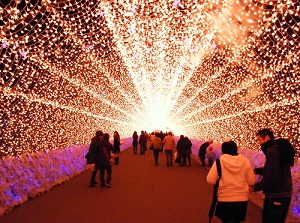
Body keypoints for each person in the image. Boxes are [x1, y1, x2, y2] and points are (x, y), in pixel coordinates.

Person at [207, 140, 256, 223]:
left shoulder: (219, 162)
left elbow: (210, 180)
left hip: (224, 199)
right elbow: (252, 181)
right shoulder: (245, 161)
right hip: (241, 200)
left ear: (223, 150)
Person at [251, 129, 292, 223]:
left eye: (259, 140)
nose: (259, 143)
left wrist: (255, 187)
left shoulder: (273, 151)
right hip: (283, 194)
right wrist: (255, 170)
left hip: (276, 194)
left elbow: (271, 176)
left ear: (267, 138)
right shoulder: (278, 149)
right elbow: (275, 169)